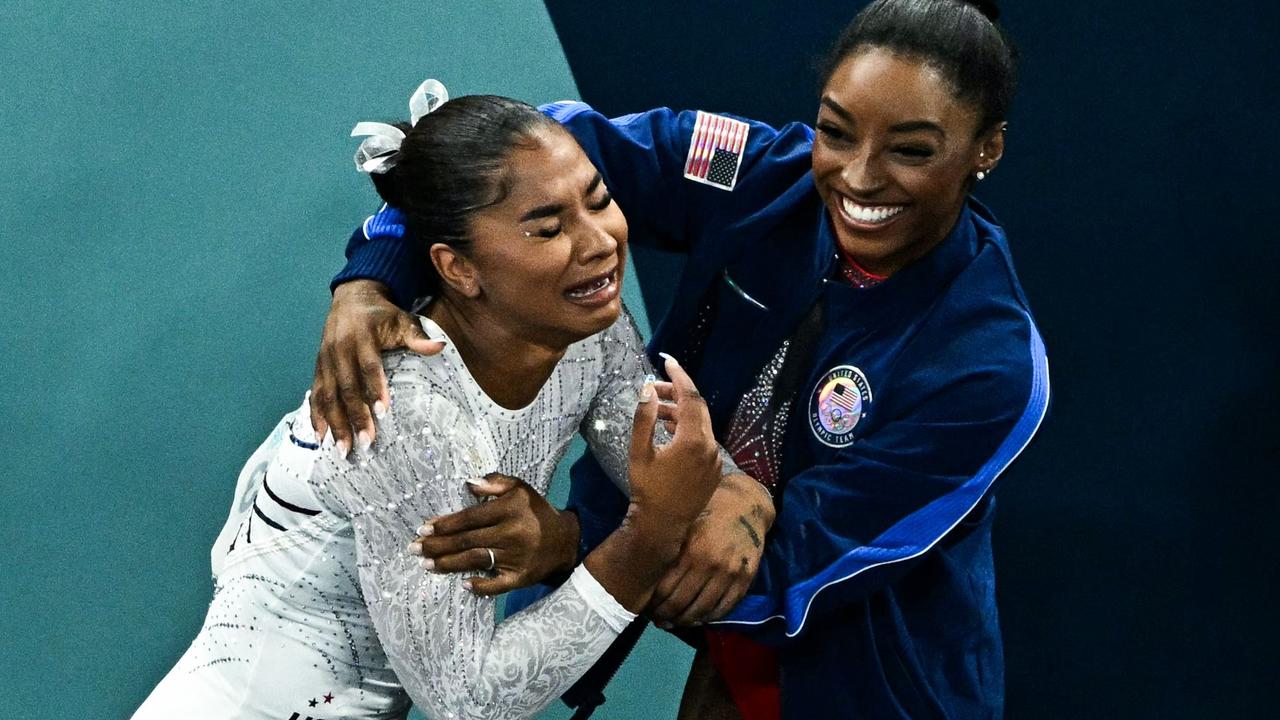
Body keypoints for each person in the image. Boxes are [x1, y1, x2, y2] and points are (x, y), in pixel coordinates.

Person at [314, 1, 1050, 717]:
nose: (858, 177)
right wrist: (372, 275)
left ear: (987, 148)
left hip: (867, 683)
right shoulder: (753, 170)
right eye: (836, 131)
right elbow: (496, 155)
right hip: (726, 665)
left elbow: (793, 572)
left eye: (912, 150)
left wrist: (573, 542)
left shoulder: (987, 365)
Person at [132, 87, 746, 720]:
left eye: (599, 201)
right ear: (457, 270)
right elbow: (469, 702)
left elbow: (685, 479)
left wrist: (735, 494)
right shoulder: (412, 415)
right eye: (548, 227)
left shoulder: (591, 331)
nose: (601, 242)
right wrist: (648, 535)